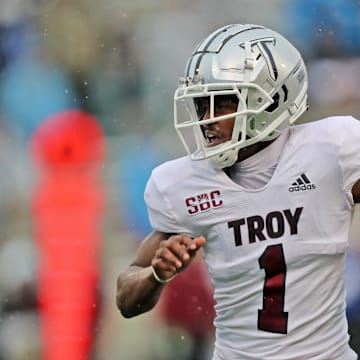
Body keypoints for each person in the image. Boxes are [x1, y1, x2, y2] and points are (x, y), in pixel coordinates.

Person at [116, 23, 359, 359]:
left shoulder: (334, 149)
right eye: (201, 105)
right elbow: (126, 298)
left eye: (222, 103)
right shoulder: (183, 184)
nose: (205, 120)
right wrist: (156, 275)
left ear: (271, 99)